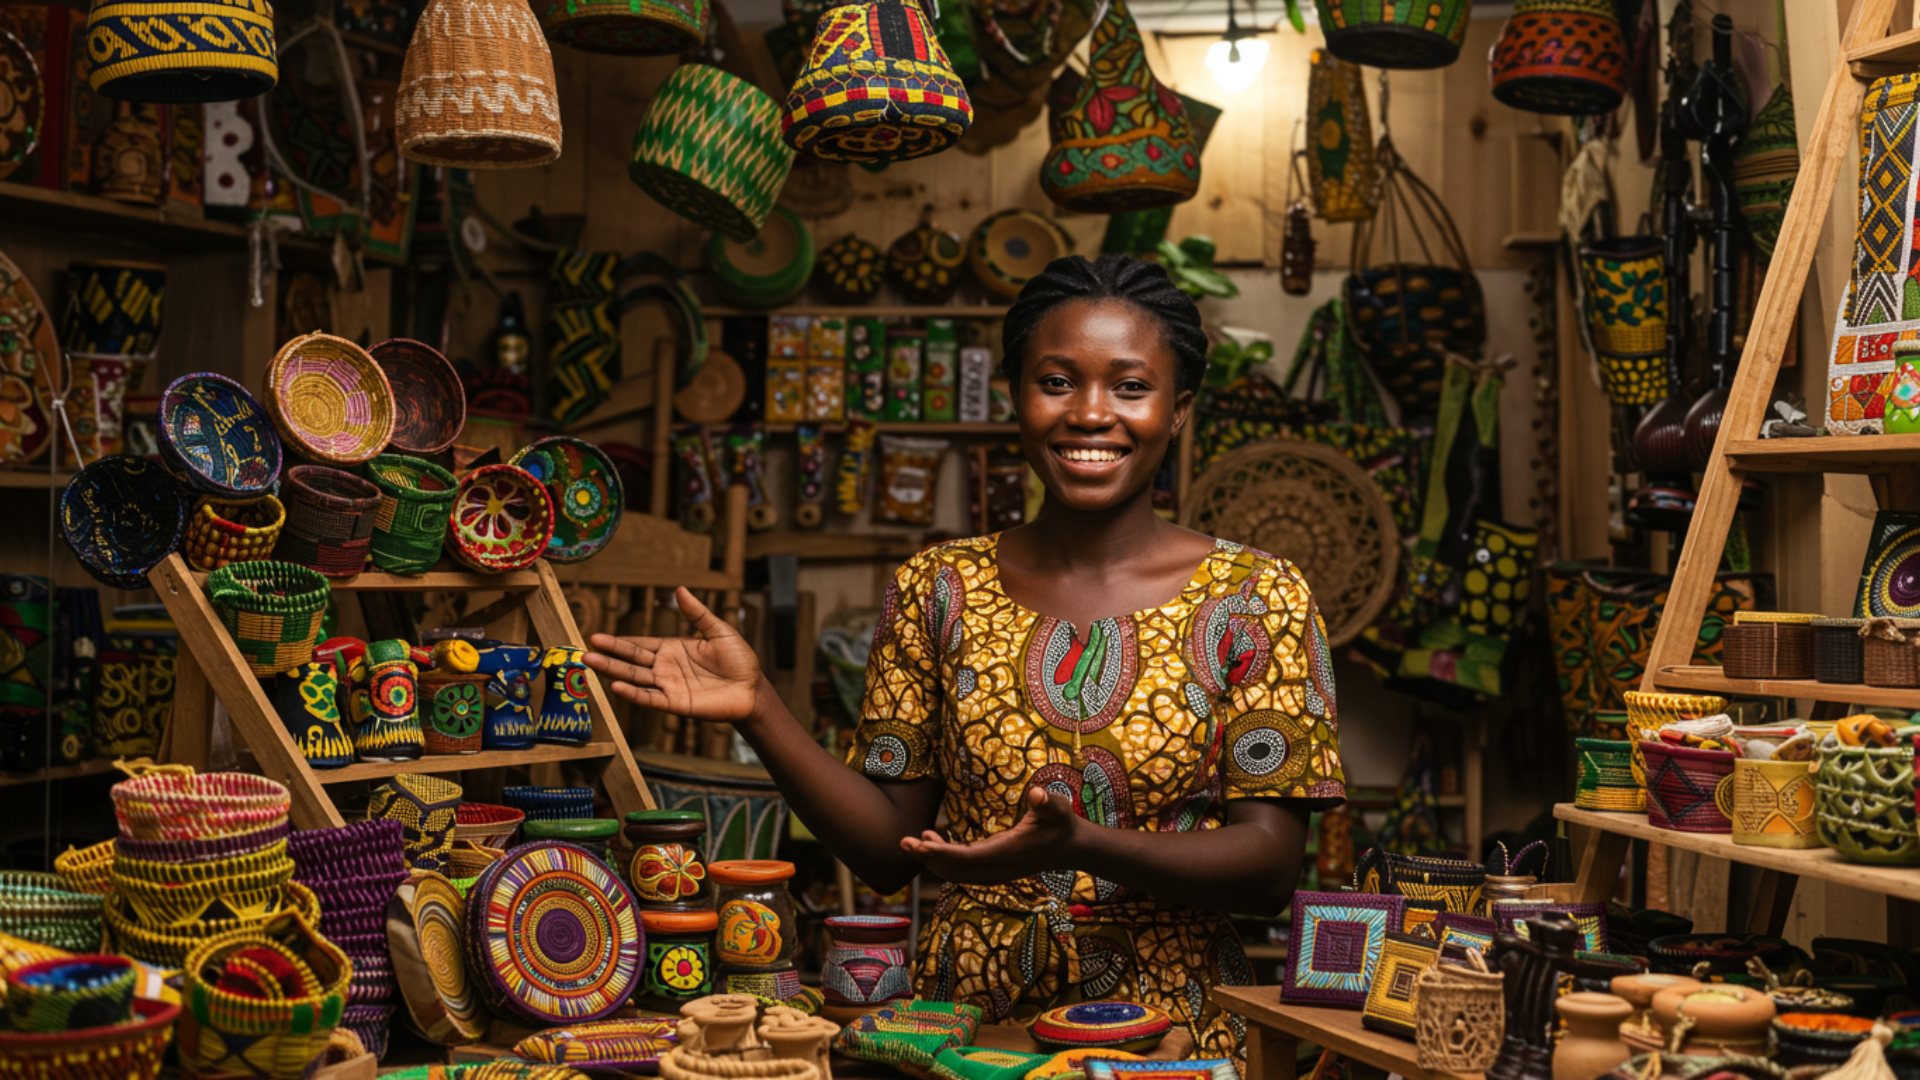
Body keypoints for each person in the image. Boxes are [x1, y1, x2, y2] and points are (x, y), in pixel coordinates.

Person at [585, 254, 1346, 1063]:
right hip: (966, 1033)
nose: (1091, 414)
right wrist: (761, 709)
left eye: (1130, 387)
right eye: (1057, 381)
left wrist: (1083, 845)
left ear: (1179, 408)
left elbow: (1269, 869)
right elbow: (886, 852)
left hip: (1170, 1034)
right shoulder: (939, 587)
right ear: (1016, 396)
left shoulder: (1255, 597)